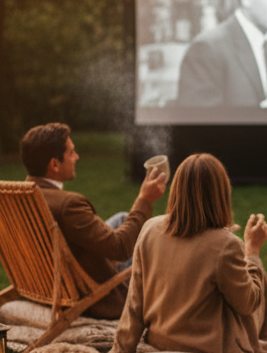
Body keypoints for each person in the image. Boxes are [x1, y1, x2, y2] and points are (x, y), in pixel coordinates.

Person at [110, 153, 267, 353]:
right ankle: (265, 338)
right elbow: (247, 303)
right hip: (210, 349)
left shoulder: (149, 229)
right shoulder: (226, 245)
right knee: (259, 281)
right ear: (220, 193)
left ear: (176, 189)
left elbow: (134, 303)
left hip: (161, 341)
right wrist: (252, 250)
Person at [20, 123, 167, 318]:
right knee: (155, 244)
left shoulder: (22, 196)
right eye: (72, 152)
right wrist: (144, 200)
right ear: (54, 165)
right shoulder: (69, 206)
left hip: (50, 279)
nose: (77, 157)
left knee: (123, 219)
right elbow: (121, 248)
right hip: (94, 293)